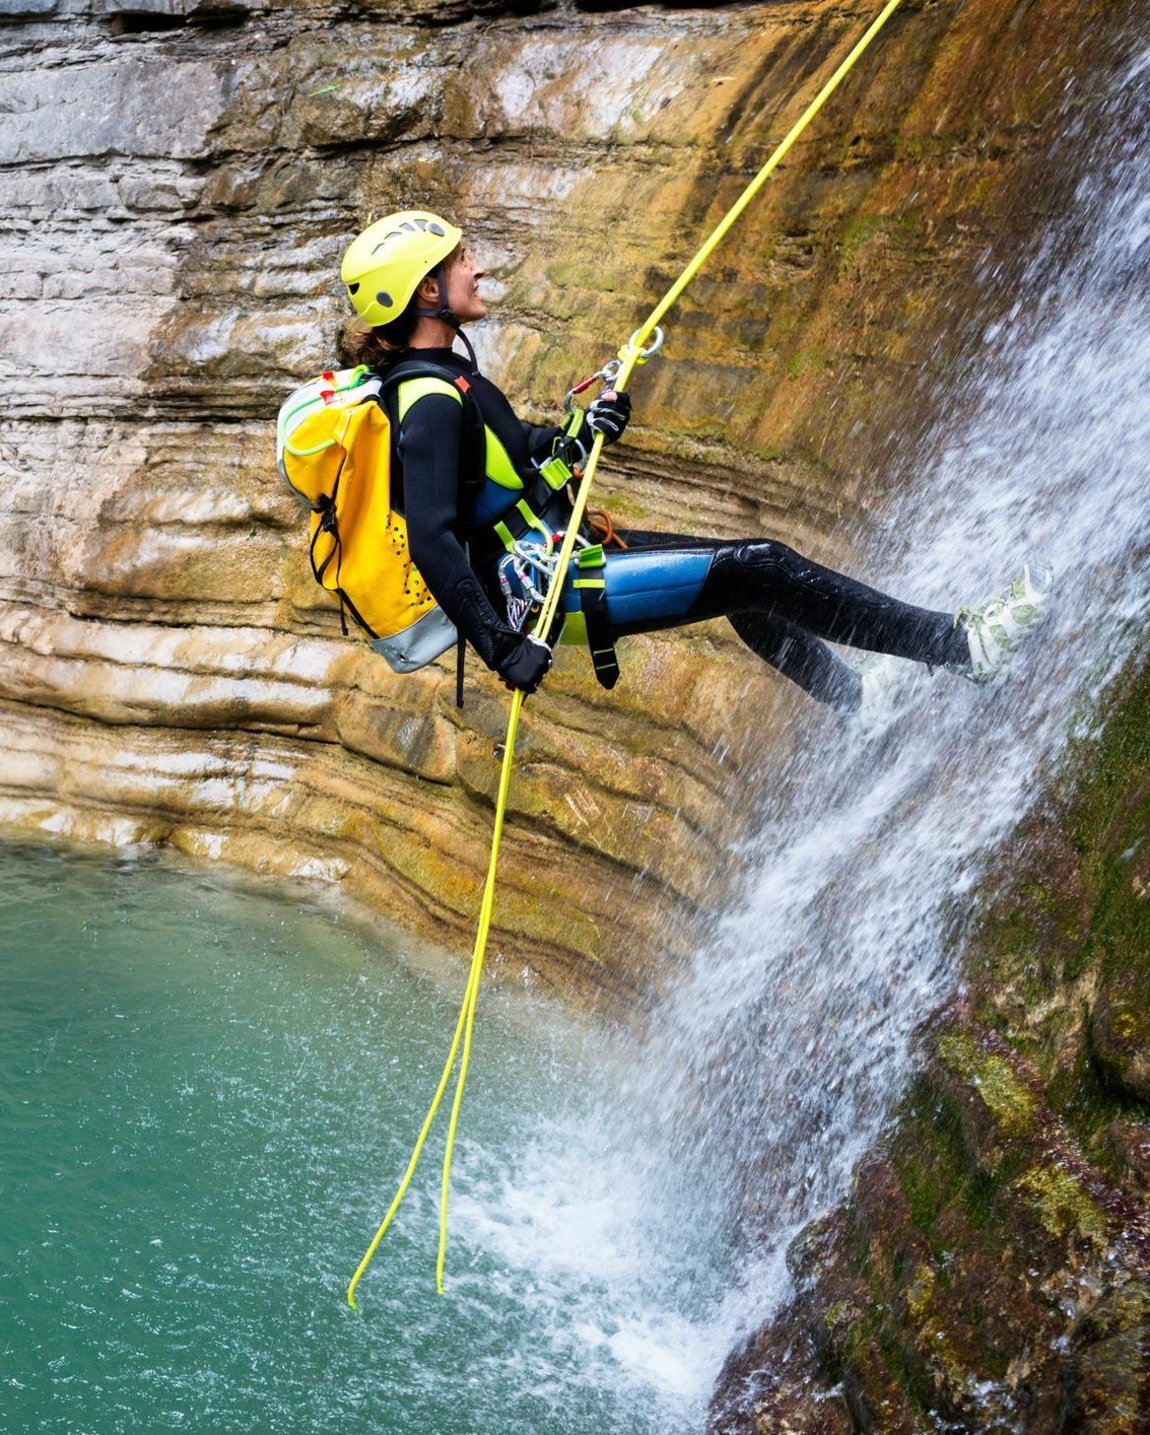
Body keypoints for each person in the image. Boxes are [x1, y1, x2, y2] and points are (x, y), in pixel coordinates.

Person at [336, 210, 1052, 709]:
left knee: (737, 581)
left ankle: (857, 701)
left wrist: (581, 433)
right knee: (761, 566)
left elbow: (517, 458)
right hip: (548, 586)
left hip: (561, 554)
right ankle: (966, 647)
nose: (477, 266)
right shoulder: (426, 400)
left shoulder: (445, 377)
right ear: (427, 291)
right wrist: (501, 650)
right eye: (461, 260)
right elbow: (432, 536)